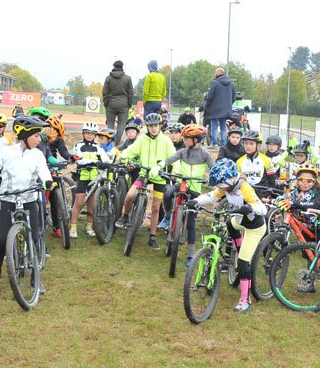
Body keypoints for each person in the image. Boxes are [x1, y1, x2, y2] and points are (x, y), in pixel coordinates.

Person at [0, 115, 53, 293]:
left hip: (29, 201)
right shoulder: (7, 152)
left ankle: (35, 278)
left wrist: (48, 182)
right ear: (25, 135)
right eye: (36, 135)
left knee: (34, 239)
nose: (39, 139)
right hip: (8, 201)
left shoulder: (38, 154)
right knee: (3, 240)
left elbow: (44, 172)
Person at [187, 158, 267, 312]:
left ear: (231, 178)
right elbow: (211, 196)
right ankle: (238, 250)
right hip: (239, 221)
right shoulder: (227, 187)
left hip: (254, 227)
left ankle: (246, 299)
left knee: (244, 263)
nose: (220, 188)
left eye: (221, 184)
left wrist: (250, 207)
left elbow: (262, 209)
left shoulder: (244, 188)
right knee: (230, 224)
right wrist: (196, 201)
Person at [114, 112, 176, 251]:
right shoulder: (142, 139)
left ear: (160, 126)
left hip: (160, 177)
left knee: (155, 208)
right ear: (147, 127)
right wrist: (122, 157)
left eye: (156, 125)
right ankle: (125, 216)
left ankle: (152, 237)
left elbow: (173, 156)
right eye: (151, 126)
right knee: (130, 196)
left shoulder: (166, 141)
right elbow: (131, 150)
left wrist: (173, 172)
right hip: (144, 173)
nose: (154, 128)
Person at [155, 124, 212, 263]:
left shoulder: (205, 154)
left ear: (196, 140)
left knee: (191, 222)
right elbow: (170, 159)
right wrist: (159, 166)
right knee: (168, 192)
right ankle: (168, 217)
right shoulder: (182, 151)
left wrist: (212, 178)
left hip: (195, 189)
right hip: (181, 184)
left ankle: (191, 255)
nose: (183, 140)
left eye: (186, 138)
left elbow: (214, 168)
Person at [68, 122, 107, 240]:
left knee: (91, 204)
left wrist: (107, 164)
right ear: (83, 133)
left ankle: (89, 227)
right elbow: (78, 160)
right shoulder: (78, 145)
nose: (90, 135)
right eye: (87, 133)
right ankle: (73, 227)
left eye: (92, 134)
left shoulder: (98, 146)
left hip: (94, 177)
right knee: (79, 203)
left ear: (95, 135)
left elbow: (104, 158)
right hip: (82, 176)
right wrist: (94, 162)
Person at [236, 130, 276, 198]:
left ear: (258, 145)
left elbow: (272, 182)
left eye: (251, 143)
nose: (248, 146)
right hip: (245, 194)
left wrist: (267, 196)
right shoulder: (239, 161)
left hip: (262, 193)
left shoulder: (266, 160)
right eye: (246, 143)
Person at [202, 67, 235, 146]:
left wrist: (207, 104)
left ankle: (214, 143)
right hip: (226, 110)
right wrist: (228, 105)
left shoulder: (215, 83)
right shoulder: (231, 84)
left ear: (217, 73)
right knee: (223, 126)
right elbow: (234, 97)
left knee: (214, 126)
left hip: (215, 109)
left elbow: (210, 96)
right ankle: (223, 143)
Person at [103, 60, 133, 134]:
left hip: (111, 104)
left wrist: (106, 104)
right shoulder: (128, 78)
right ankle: (117, 143)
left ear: (114, 67)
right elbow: (131, 93)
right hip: (123, 105)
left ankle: (110, 142)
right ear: (122, 67)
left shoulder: (108, 78)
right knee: (121, 125)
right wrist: (129, 104)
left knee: (110, 125)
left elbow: (105, 93)